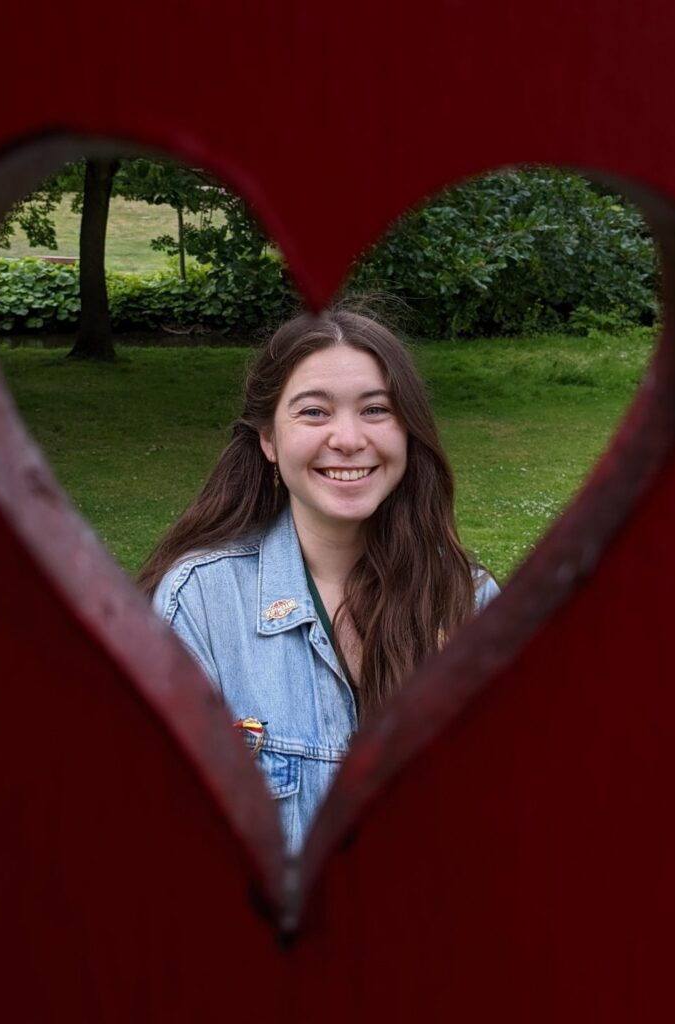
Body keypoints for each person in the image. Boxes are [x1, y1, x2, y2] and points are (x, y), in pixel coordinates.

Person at [138, 310, 499, 853]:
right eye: (314, 412)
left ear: (407, 430)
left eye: (376, 409)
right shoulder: (201, 602)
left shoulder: (468, 602)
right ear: (269, 439)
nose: (349, 438)